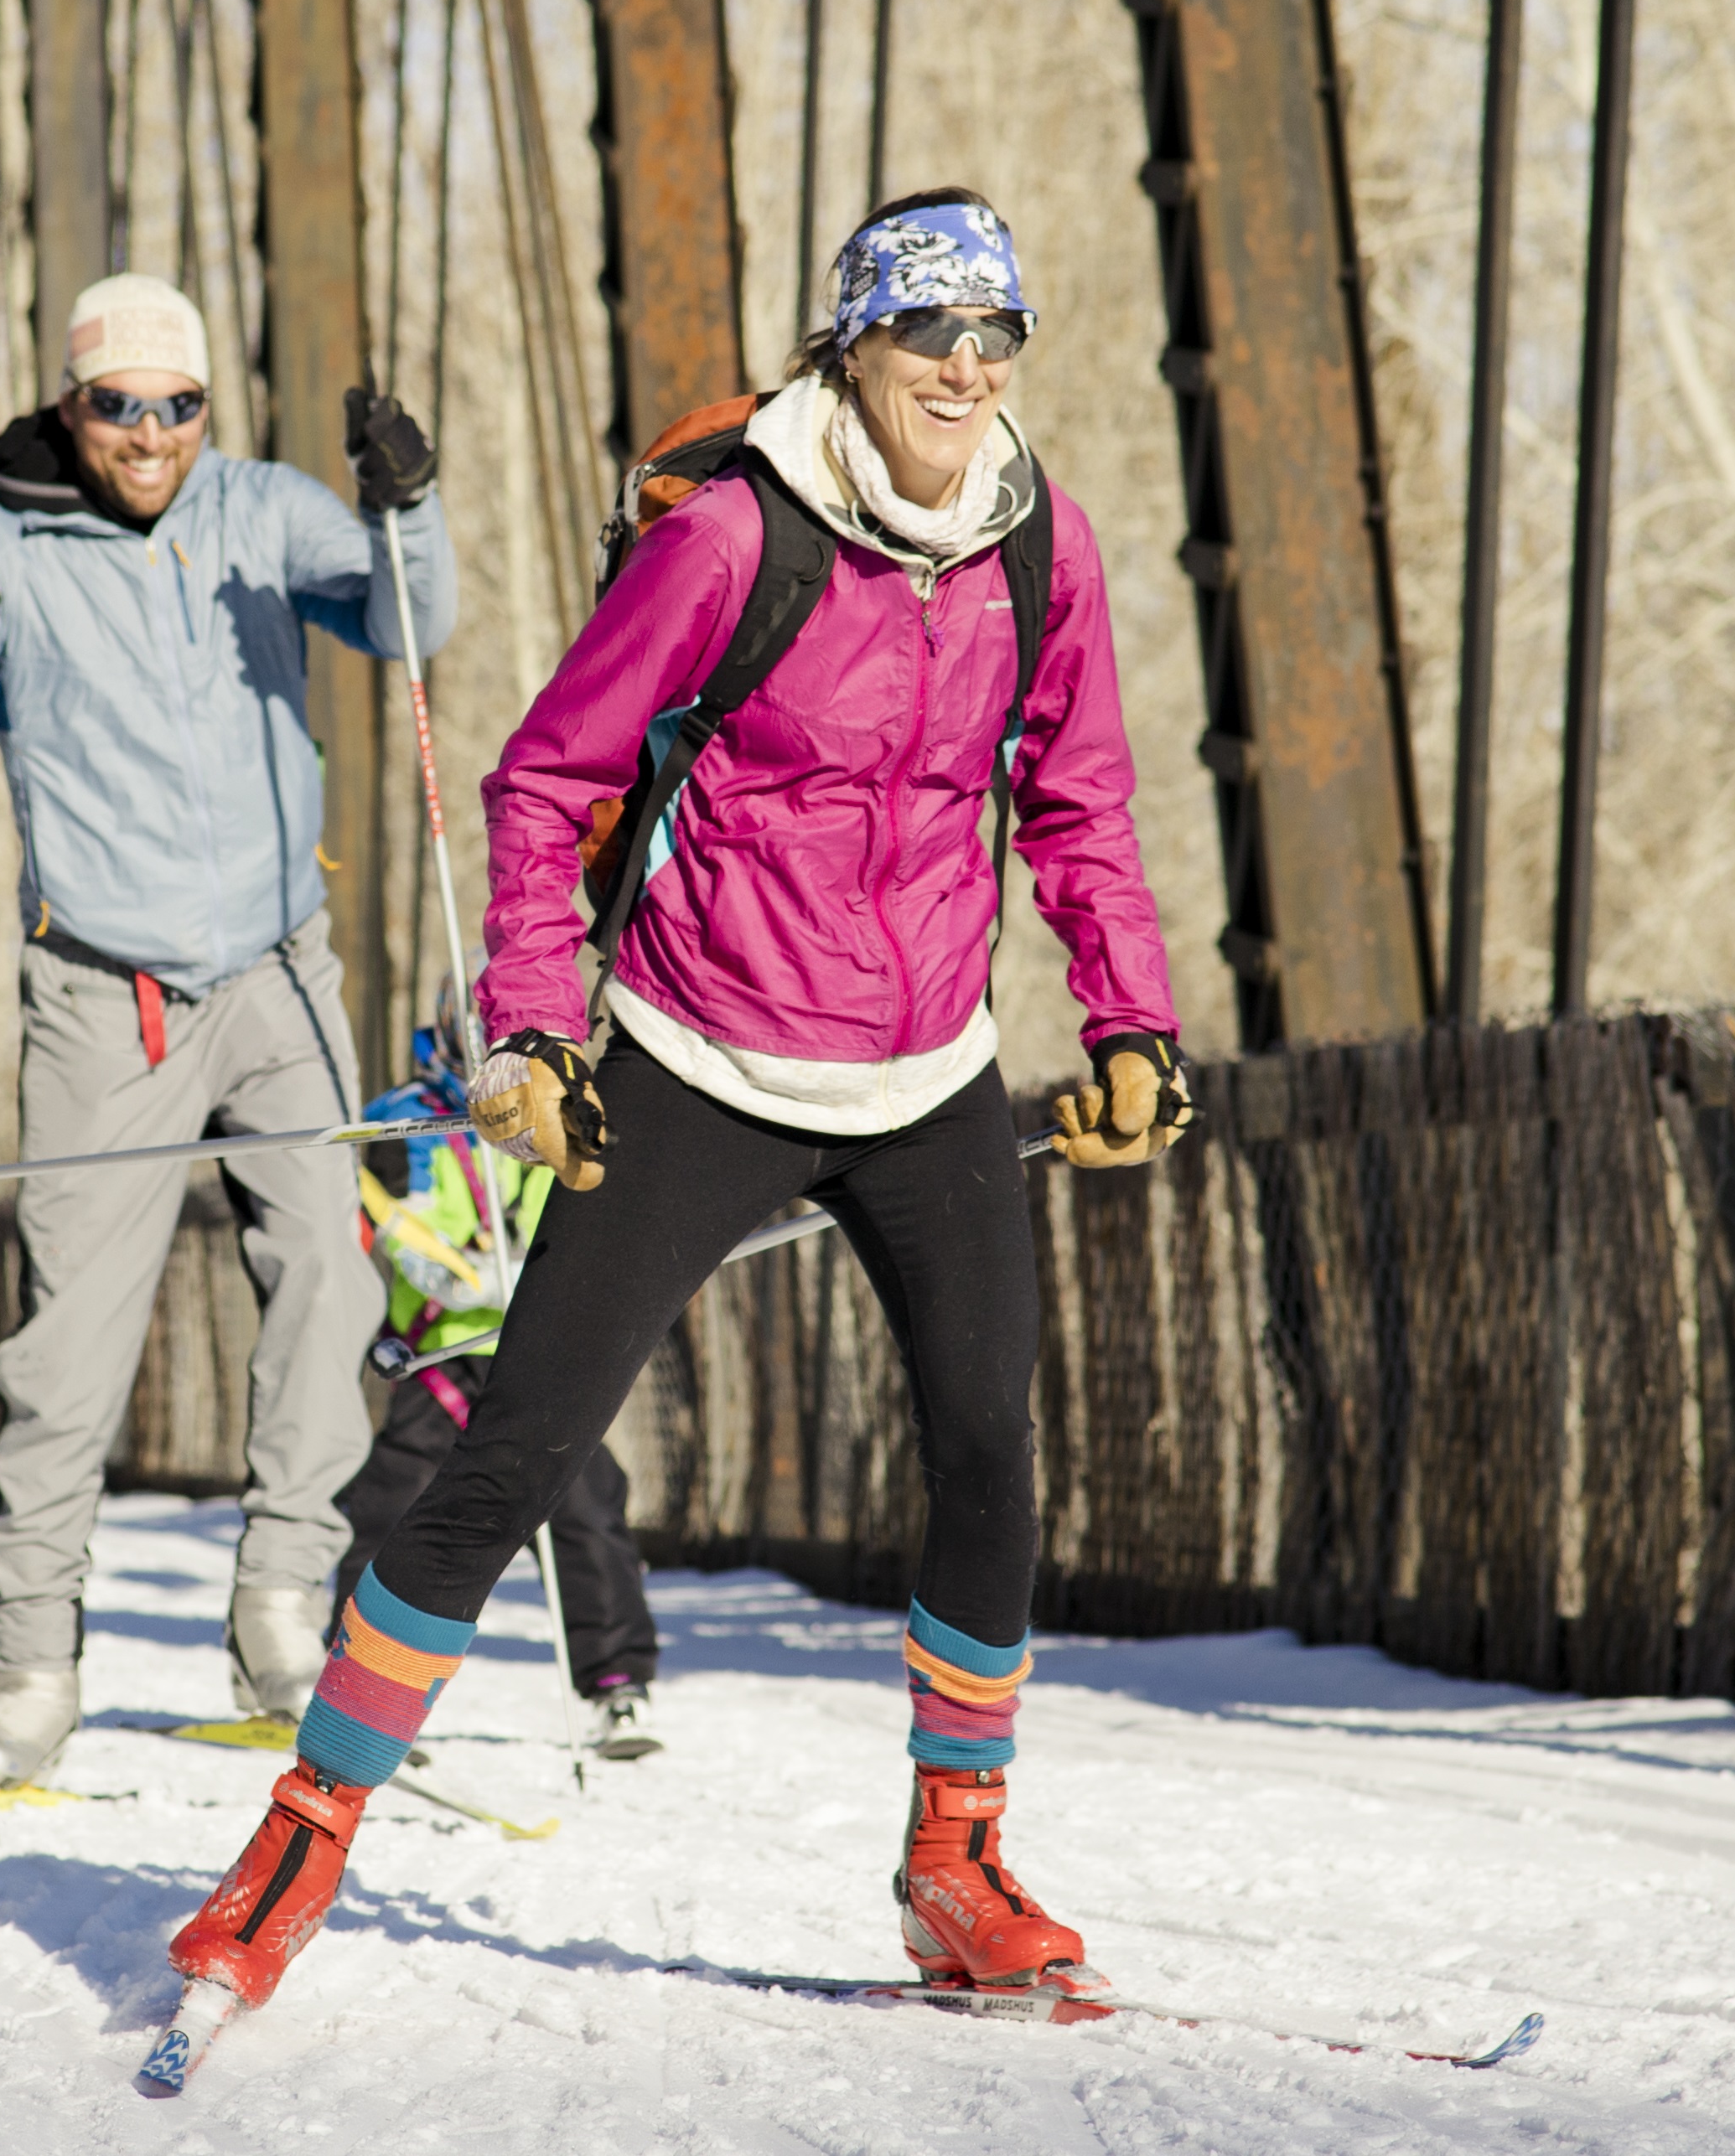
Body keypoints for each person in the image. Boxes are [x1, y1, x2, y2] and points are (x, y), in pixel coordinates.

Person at [158, 189, 1193, 2019]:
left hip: (927, 1068)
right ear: (853, 346)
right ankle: (304, 1830)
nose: (966, 368)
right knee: (513, 1454)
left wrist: (1131, 1018)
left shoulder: (1051, 549)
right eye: (929, 333)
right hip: (700, 1054)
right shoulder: (731, 541)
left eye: (996, 336)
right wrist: (537, 1035)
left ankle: (955, 1862)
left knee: (989, 1452)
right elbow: (546, 785)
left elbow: (1081, 802)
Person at [0, 270, 457, 1789]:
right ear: (74, 403)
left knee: (329, 1268)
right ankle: (34, 1669)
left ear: (206, 406)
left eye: (176, 405)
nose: (149, 434)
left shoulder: (262, 511)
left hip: (273, 970)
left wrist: (414, 502)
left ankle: (278, 1608)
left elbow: (412, 619)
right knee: (72, 1343)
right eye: (120, 405)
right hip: (101, 990)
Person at [332, 1070, 661, 1760]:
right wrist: (453, 1269)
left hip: (533, 1343)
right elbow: (396, 1216)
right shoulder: (405, 1116)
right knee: (388, 1508)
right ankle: (356, 1686)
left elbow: (587, 1200)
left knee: (586, 1505)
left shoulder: (568, 1105)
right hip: (439, 1358)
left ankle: (616, 1682)